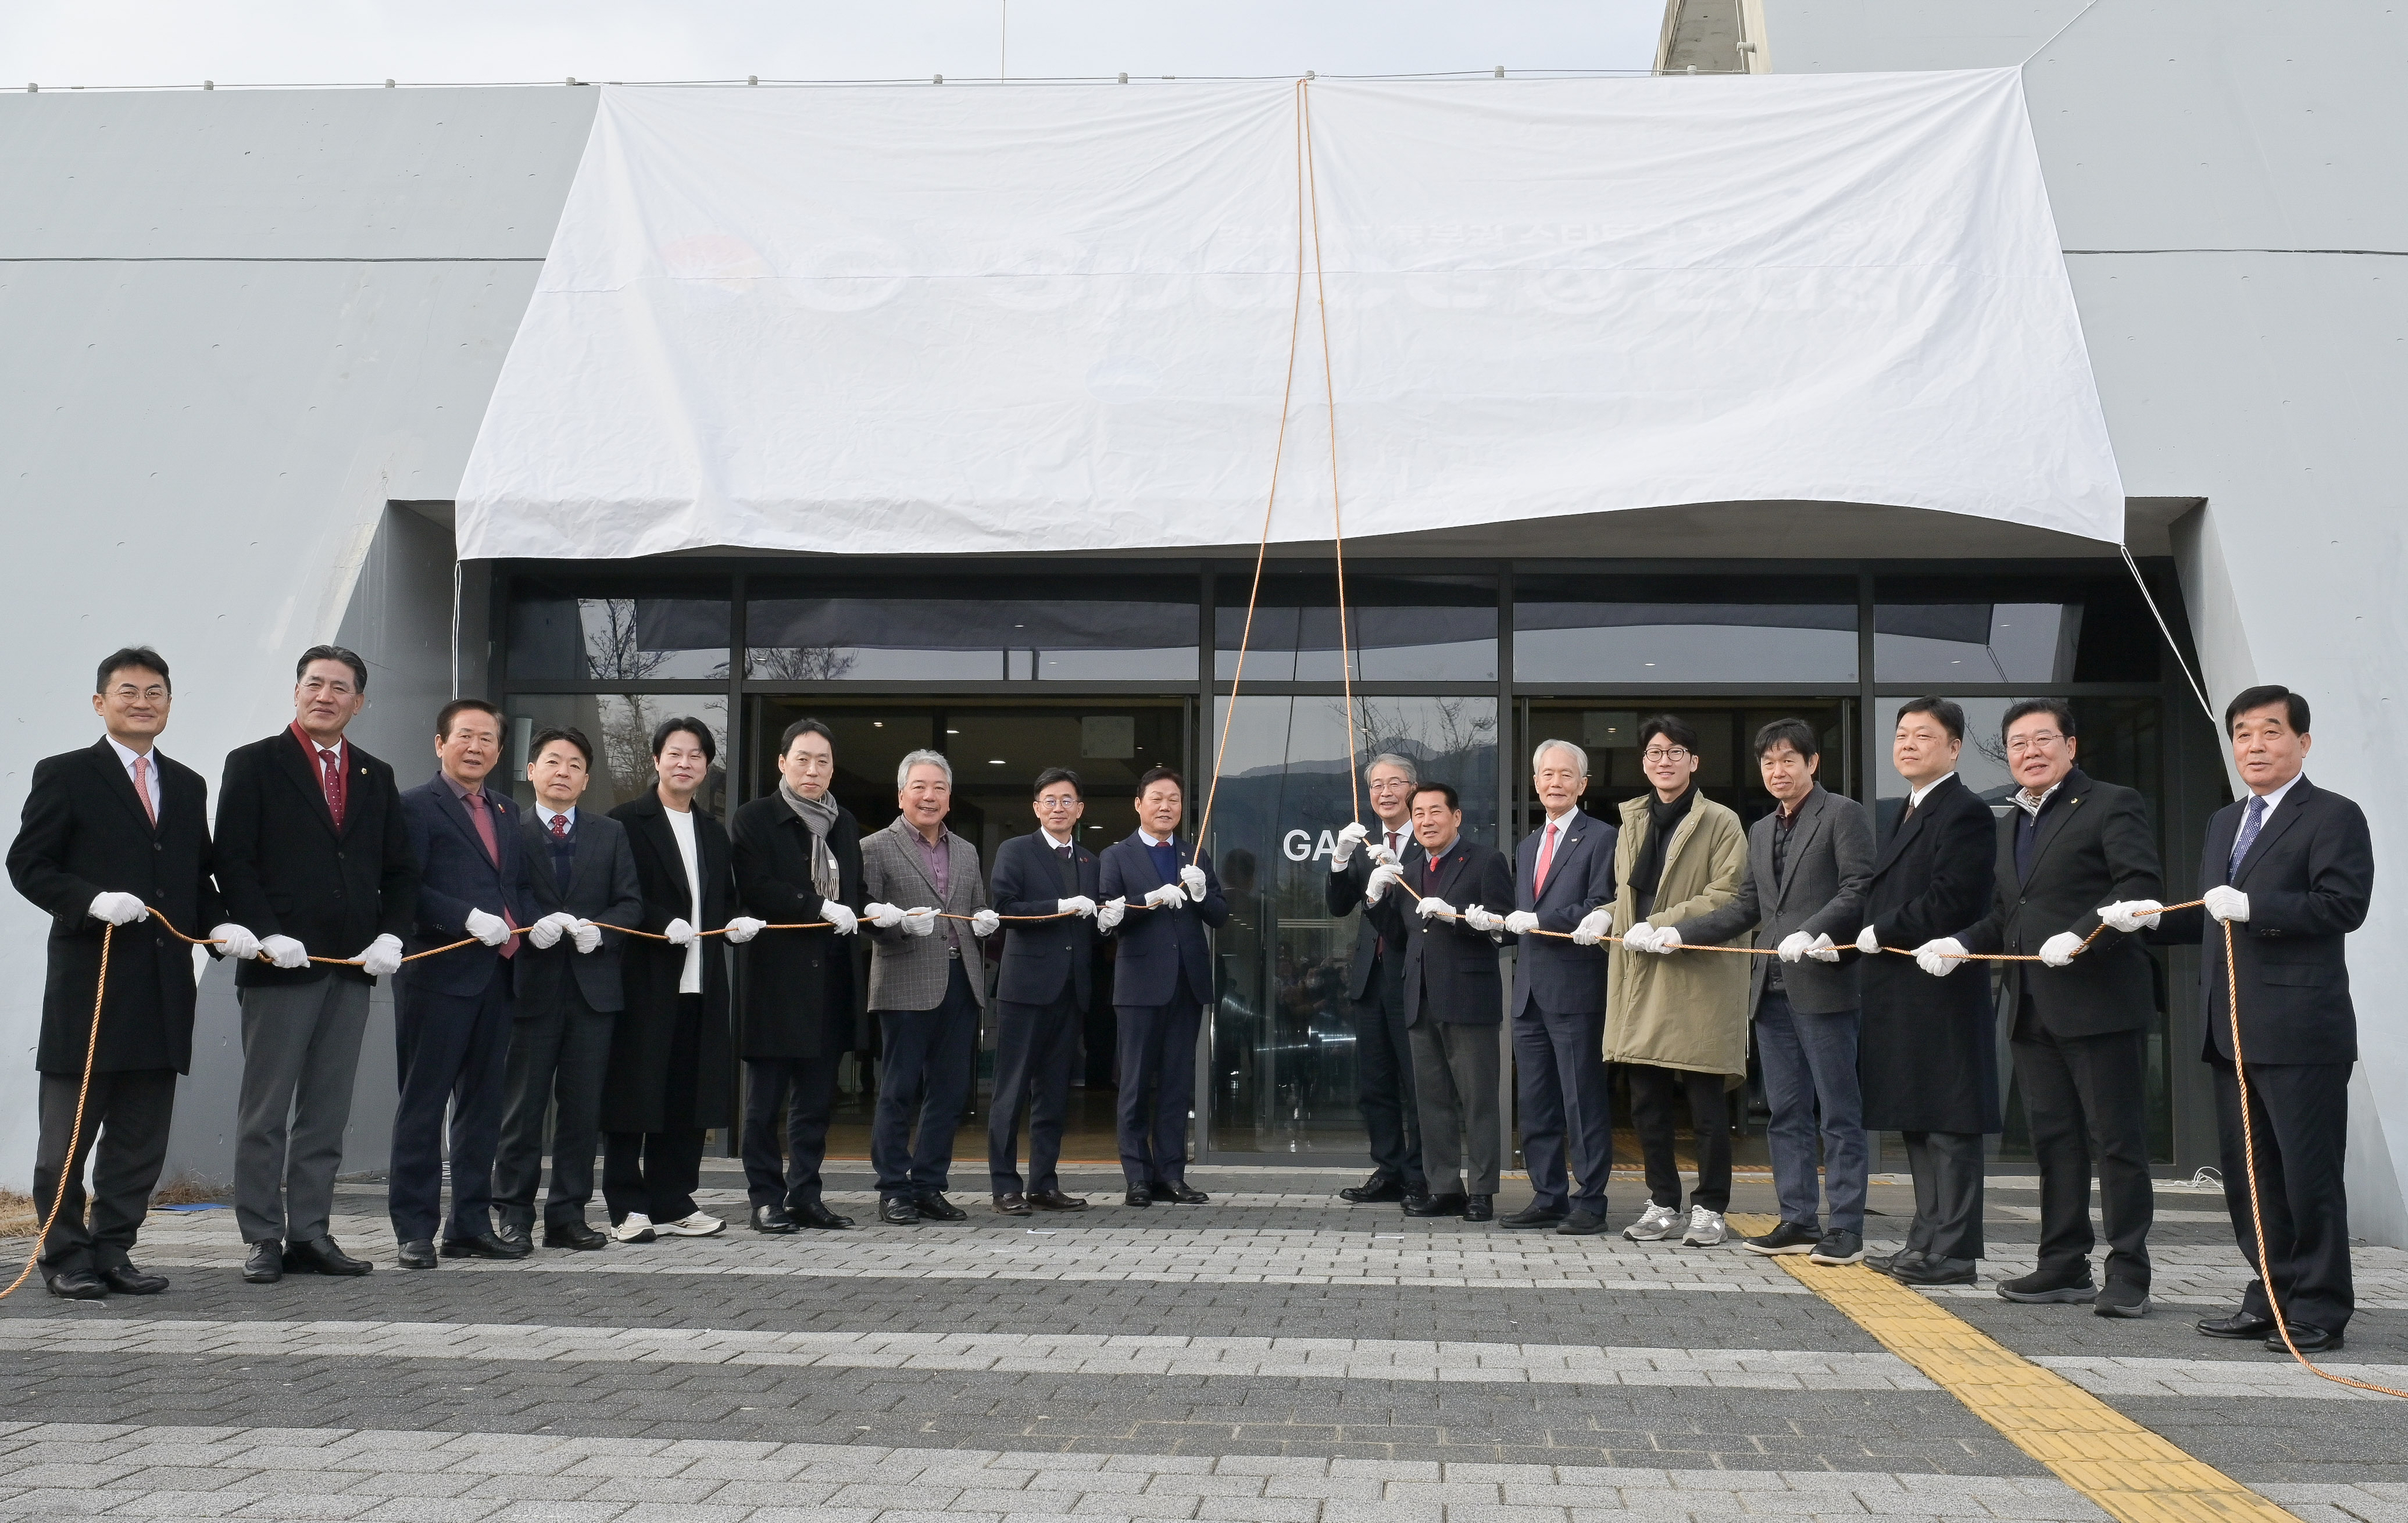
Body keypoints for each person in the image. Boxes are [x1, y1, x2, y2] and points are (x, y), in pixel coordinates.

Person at [2126, 686, 2371, 1353]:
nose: (2254, 746)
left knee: (2307, 1176)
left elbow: (2341, 906)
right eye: (2242, 734)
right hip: (2229, 1029)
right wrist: (2153, 920)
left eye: (2270, 732)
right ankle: (2269, 1296)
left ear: (2303, 742)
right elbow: (2214, 914)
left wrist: (2253, 903)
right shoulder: (2224, 821)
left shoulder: (2333, 815)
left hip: (2300, 1032)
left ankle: (2320, 1307)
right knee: (2249, 1179)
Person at [7, 648, 249, 1299]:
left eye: (155, 692)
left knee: (139, 1141)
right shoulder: (65, 774)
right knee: (67, 1141)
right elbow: (28, 864)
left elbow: (197, 877)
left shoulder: (189, 783)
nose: (142, 702)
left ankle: (115, 1250)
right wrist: (89, 899)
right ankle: (66, 1257)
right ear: (99, 703)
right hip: (91, 985)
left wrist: (222, 926)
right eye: (128, 691)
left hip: (164, 989)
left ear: (170, 703)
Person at [1917, 698, 2164, 1317]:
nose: (2030, 751)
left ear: (2070, 745)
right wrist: (1962, 944)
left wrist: (2081, 934)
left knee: (2116, 1144)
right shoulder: (2008, 825)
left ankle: (2128, 1271)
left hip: (2101, 1004)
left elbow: (2135, 887)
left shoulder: (2112, 802)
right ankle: (2062, 1263)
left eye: (2042, 739)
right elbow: (2008, 916)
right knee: (2054, 1142)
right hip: (2031, 1007)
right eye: (2017, 742)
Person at [213, 646, 418, 1285]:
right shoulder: (252, 764)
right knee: (266, 1110)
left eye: (340, 687)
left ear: (360, 701)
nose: (325, 695)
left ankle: (310, 1231)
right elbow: (233, 860)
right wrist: (268, 934)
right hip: (282, 967)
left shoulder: (375, 774)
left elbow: (401, 870)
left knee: (327, 1111)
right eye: (314, 683)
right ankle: (262, 1236)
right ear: (296, 691)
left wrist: (392, 935)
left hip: (351, 966)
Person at [1665, 719, 1875, 1265]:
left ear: (1812, 763)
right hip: (1771, 989)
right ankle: (1798, 1218)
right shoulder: (1760, 831)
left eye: (1788, 760)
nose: (1777, 772)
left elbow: (1859, 887)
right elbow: (1746, 908)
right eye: (1768, 763)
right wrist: (1679, 933)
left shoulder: (1843, 814)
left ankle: (1847, 1228)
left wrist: (1814, 930)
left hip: (1825, 982)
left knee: (1839, 1111)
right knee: (1784, 1113)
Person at [388, 699, 541, 1267]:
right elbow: (407, 888)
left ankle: (470, 1225)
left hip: (500, 976)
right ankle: (414, 1230)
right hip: (438, 975)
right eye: (465, 737)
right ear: (440, 743)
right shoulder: (413, 807)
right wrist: (463, 918)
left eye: (487, 740)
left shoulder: (505, 809)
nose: (476, 747)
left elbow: (515, 884)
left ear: (501, 752)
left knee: (482, 1108)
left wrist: (531, 922)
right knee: (423, 1106)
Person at [1855, 699, 2002, 1287]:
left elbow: (1952, 897)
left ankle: (1955, 1251)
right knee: (1917, 1118)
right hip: (1899, 989)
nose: (1908, 744)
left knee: (1949, 1121)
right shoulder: (1901, 812)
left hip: (1942, 988)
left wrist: (1882, 929)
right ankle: (1924, 1237)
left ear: (1954, 747)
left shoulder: (1964, 812)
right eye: (1902, 734)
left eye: (1924, 734)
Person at [602, 717, 754, 1243]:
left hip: (703, 982)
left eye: (696, 755)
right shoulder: (624, 822)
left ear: (707, 767)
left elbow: (724, 902)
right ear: (656, 760)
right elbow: (616, 896)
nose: (685, 763)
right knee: (634, 1092)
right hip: (644, 981)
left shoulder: (714, 832)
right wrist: (655, 921)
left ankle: (673, 1199)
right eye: (675, 753)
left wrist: (736, 925)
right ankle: (626, 1204)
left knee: (689, 1095)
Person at [1602, 715, 1748, 1248]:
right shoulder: (1633, 820)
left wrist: (1659, 926)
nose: (1663, 760)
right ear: (1643, 762)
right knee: (1647, 1104)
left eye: (1675, 751)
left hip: (1697, 979)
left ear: (1694, 761)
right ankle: (1662, 1202)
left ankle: (1710, 1208)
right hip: (1641, 977)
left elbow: (1730, 895)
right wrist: (1604, 918)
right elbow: (1627, 896)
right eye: (1654, 752)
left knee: (1706, 1103)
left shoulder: (1721, 820)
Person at [495, 725, 644, 1251]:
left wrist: (598, 932)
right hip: (528, 988)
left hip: (592, 992)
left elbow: (631, 903)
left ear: (586, 779)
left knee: (583, 1111)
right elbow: (502, 895)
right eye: (553, 762)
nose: (563, 772)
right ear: (531, 771)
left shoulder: (609, 833)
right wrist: (536, 922)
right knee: (522, 1108)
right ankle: (513, 1213)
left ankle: (567, 1215)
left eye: (575, 765)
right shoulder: (508, 827)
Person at [729, 717, 863, 1234]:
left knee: (815, 1103)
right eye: (803, 759)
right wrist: (818, 906)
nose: (813, 770)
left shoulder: (843, 823)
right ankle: (766, 1197)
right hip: (775, 980)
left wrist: (890, 913)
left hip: (830, 980)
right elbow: (756, 886)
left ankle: (806, 1194)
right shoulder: (755, 818)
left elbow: (854, 893)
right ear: (783, 763)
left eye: (823, 761)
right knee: (763, 1105)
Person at [858, 749, 998, 1225]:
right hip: (905, 980)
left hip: (961, 982)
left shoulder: (966, 850)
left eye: (938, 788)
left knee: (949, 1092)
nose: (929, 796)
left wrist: (985, 922)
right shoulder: (875, 847)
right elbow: (865, 918)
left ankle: (929, 1186)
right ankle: (893, 1189)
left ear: (950, 797)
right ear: (901, 795)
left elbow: (976, 908)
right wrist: (898, 926)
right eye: (919, 787)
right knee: (898, 1090)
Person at [1368, 781, 1514, 1221]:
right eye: (1419, 815)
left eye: (1435, 812)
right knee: (1430, 1101)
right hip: (1420, 997)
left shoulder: (1487, 860)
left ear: (1457, 817)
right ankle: (1444, 1187)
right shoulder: (1410, 870)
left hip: (1469, 998)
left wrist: (1458, 918)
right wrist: (1375, 899)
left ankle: (1483, 1192)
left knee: (1478, 1099)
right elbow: (1398, 937)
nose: (1427, 821)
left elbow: (1504, 928)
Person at [1497, 739, 1618, 1234]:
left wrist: (1539, 917)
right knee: (1538, 1101)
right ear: (1535, 783)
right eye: (1546, 774)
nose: (1555, 783)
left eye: (1566, 775)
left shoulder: (1603, 837)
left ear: (1582, 785)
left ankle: (1592, 1201)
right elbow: (1521, 919)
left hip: (1575, 990)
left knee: (1582, 1100)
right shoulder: (1528, 845)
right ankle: (1548, 1196)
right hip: (1528, 993)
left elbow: (1600, 902)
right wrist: (1494, 923)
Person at [1097, 766, 1229, 1207]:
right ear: (1139, 804)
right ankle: (1137, 1176)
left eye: (1173, 799)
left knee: (1176, 1085)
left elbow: (1220, 914)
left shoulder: (1195, 855)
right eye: (1156, 798)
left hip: (1187, 984)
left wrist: (1200, 892)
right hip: (1138, 985)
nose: (1165, 806)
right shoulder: (1116, 855)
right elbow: (1106, 917)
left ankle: (1172, 1174)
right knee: (1135, 1084)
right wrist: (1149, 901)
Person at [986, 767, 1103, 1215]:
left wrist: (1103, 918)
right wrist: (1058, 908)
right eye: (1050, 800)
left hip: (1071, 990)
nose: (1059, 808)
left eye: (1067, 800)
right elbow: (1004, 911)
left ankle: (1043, 1183)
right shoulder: (1015, 851)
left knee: (1054, 1093)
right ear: (1037, 808)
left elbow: (1090, 924)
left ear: (1080, 810)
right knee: (1010, 1090)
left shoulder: (1090, 861)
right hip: (1024, 988)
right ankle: (1004, 1187)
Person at [1324, 753, 1427, 1209]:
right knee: (1376, 1085)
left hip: (1414, 977)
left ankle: (1422, 1175)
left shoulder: (1427, 837)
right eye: (1376, 786)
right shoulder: (1364, 844)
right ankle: (1389, 1171)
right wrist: (1340, 859)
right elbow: (1338, 906)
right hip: (1370, 978)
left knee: (1418, 1083)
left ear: (1412, 789)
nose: (1384, 792)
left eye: (1394, 783)